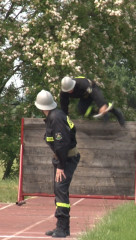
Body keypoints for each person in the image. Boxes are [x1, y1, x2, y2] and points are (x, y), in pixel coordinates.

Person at [35, 90, 80, 238]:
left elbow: (62, 144)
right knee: (60, 190)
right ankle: (62, 228)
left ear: (41, 106)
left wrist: (61, 165)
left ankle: (62, 229)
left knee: (60, 189)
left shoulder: (56, 118)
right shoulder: (54, 116)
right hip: (61, 158)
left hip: (66, 159)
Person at [60, 76, 125, 126]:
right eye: (67, 90)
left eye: (71, 89)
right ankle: (99, 113)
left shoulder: (81, 83)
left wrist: (102, 105)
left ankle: (116, 112)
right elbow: (64, 106)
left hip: (93, 90)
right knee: (82, 110)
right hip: (84, 96)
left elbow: (94, 93)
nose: (69, 91)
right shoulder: (63, 93)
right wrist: (65, 119)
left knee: (102, 105)